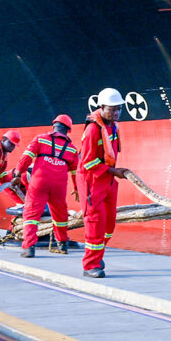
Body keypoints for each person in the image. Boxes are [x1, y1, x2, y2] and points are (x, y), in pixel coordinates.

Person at [13, 115, 79, 257]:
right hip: (59, 185)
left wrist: (18, 173)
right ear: (68, 130)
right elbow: (76, 173)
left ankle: (29, 247)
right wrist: (77, 189)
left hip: (39, 182)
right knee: (60, 215)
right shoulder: (72, 149)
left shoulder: (40, 138)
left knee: (31, 213)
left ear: (54, 126)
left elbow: (26, 157)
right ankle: (62, 244)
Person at [78, 88, 126, 278]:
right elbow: (88, 162)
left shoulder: (111, 126)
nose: (116, 113)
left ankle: (97, 255)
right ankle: (90, 265)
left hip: (108, 179)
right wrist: (115, 172)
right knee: (95, 223)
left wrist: (113, 173)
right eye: (112, 109)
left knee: (109, 224)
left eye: (118, 109)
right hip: (93, 181)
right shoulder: (92, 130)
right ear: (101, 108)